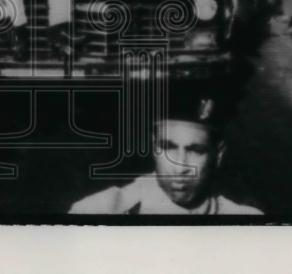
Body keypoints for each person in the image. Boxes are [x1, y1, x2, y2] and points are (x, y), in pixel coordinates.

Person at [69, 77, 262, 215]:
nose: (179, 167)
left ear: (218, 155)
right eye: (168, 148)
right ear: (154, 146)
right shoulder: (100, 211)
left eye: (196, 151)